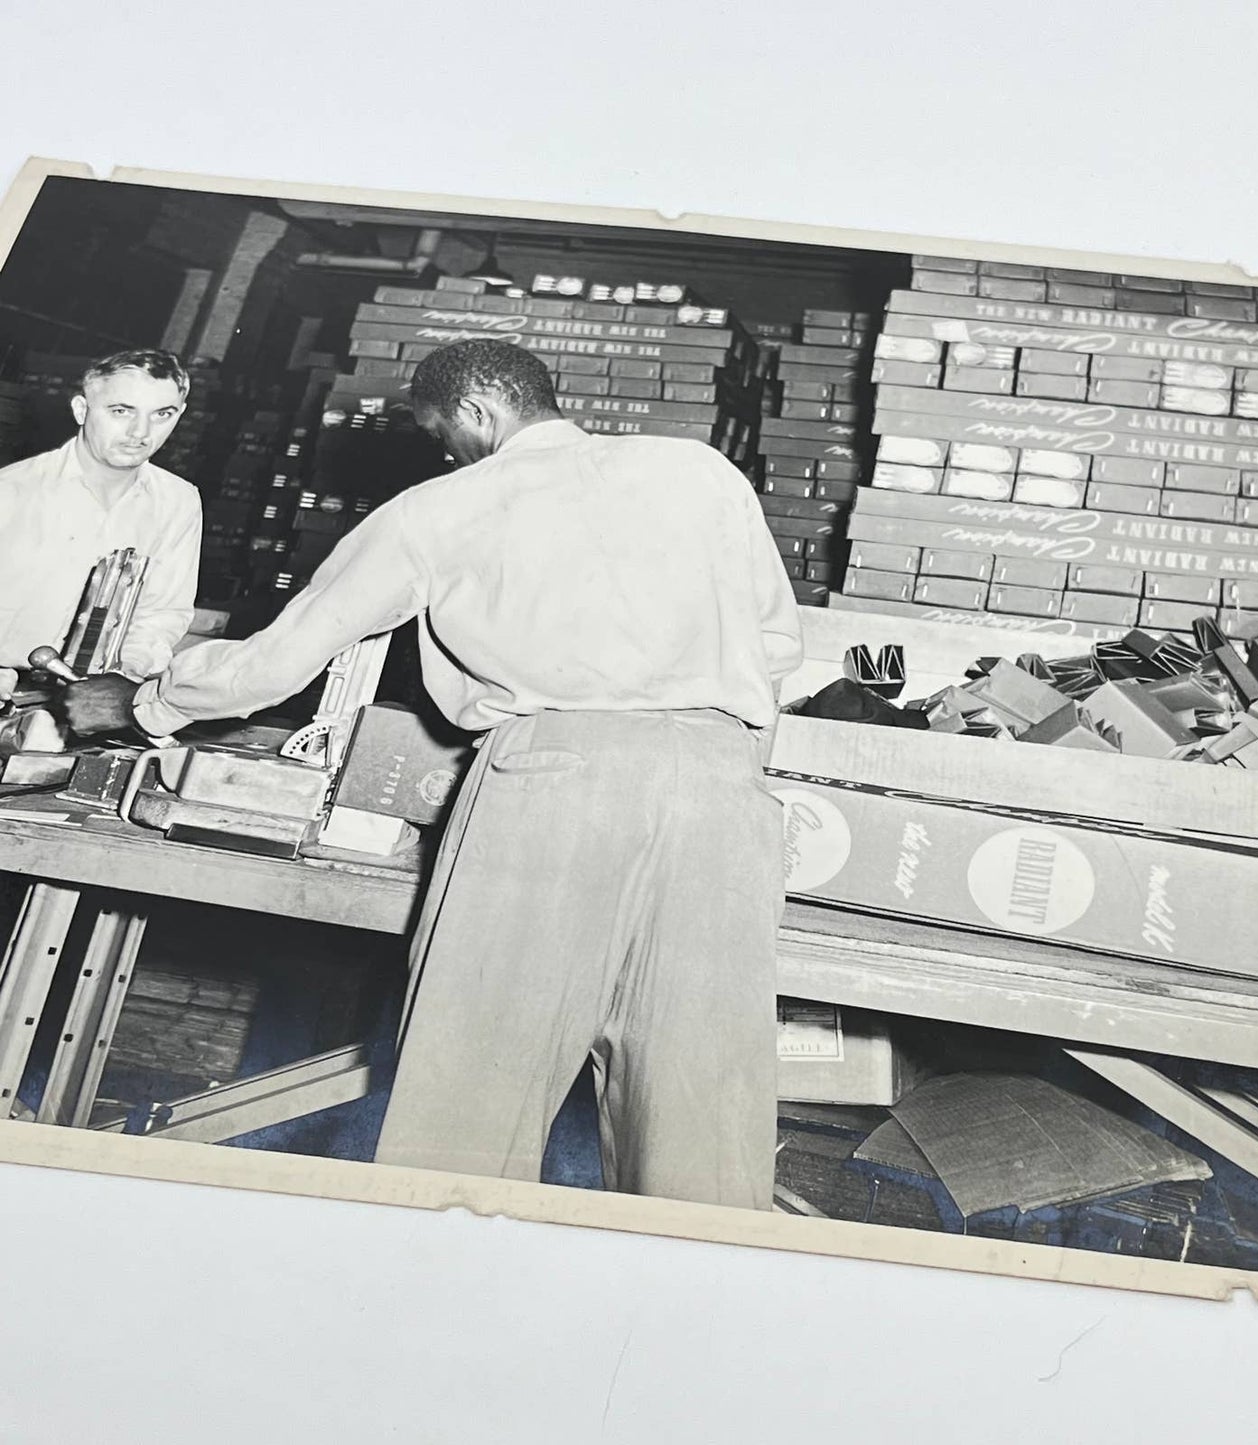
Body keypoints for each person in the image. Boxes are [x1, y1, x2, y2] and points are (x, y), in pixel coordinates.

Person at [65, 337, 805, 1212]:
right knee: (704, 1116)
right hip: (725, 782)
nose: (446, 455)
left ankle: (437, 1310)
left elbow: (278, 662)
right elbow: (778, 644)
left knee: (470, 1106)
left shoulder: (442, 508)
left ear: (474, 415)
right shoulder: (699, 472)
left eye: (442, 437)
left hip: (554, 780)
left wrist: (146, 703)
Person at [0, 349, 201, 701]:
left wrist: (122, 677)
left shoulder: (178, 502)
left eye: (162, 414)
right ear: (81, 410)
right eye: (121, 411)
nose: (140, 432)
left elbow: (163, 613)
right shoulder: (12, 491)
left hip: (90, 701)